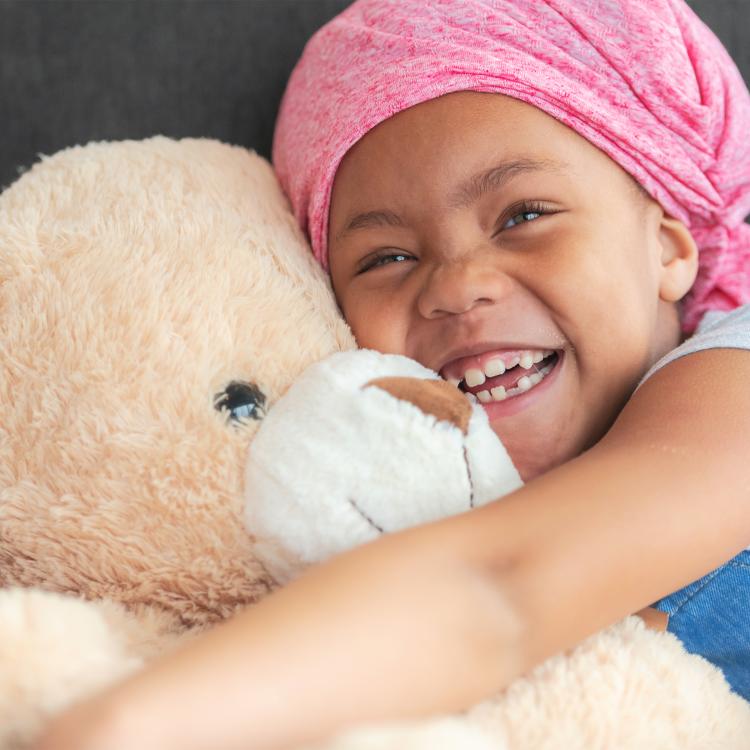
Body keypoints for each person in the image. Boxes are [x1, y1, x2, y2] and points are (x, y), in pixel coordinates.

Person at [34, 1, 750, 749]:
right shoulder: (358, 498)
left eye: (523, 216)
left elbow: (500, 592)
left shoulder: (733, 381)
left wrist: (119, 728)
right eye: (387, 259)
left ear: (670, 248)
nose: (456, 286)